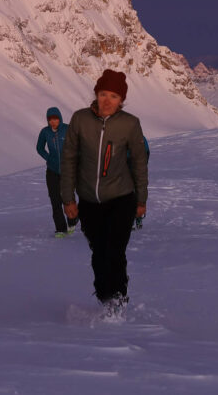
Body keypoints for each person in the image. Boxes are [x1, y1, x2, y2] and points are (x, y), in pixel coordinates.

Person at [61, 69, 148, 315]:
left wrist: (141, 200)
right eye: (102, 94)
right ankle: (104, 297)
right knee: (99, 253)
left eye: (113, 96)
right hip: (89, 200)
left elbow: (139, 163)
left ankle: (118, 302)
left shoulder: (130, 124)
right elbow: (68, 160)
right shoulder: (80, 120)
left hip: (122, 198)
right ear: (96, 95)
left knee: (115, 251)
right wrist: (68, 198)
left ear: (121, 100)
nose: (107, 100)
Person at [37, 107, 78, 237]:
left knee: (68, 199)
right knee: (55, 200)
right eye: (50, 120)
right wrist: (48, 158)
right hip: (52, 171)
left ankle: (72, 220)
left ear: (60, 118)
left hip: (68, 171)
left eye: (55, 119)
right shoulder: (45, 132)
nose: (53, 122)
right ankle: (61, 229)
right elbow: (39, 148)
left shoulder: (68, 129)